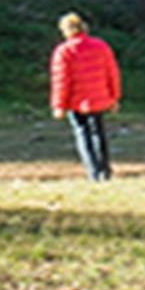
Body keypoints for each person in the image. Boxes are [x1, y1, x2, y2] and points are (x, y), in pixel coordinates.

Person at [50, 11, 121, 182]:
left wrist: (58, 105)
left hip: (76, 101)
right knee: (99, 133)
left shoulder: (64, 51)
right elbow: (112, 73)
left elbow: (61, 80)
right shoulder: (101, 46)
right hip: (99, 98)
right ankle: (105, 170)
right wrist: (114, 97)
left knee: (83, 135)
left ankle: (93, 172)